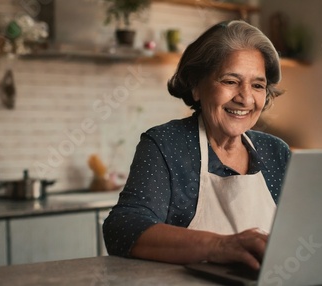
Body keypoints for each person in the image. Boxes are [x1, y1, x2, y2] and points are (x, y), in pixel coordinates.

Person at [103, 20, 291, 271]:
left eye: (257, 85)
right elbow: (123, 228)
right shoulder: (166, 145)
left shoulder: (276, 152)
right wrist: (221, 247)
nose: (245, 97)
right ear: (196, 87)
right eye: (230, 81)